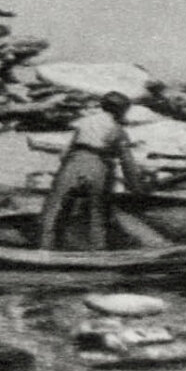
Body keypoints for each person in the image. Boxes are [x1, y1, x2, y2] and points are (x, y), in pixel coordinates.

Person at [37, 91, 154, 252]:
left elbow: (64, 154)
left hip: (73, 162)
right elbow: (127, 163)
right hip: (98, 166)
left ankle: (45, 248)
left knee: (54, 208)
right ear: (121, 110)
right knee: (97, 212)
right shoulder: (117, 130)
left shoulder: (84, 123)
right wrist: (136, 189)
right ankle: (97, 250)